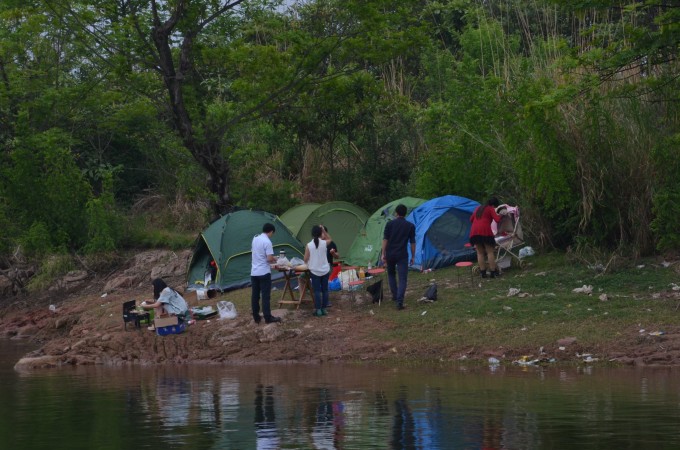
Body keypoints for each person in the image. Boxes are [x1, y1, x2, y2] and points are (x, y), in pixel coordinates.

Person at [381, 204, 416, 310]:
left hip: (390, 254)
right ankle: (399, 301)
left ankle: (395, 296)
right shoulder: (410, 226)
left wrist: (383, 254)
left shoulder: (389, 224)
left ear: (396, 213)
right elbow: (413, 243)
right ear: (405, 213)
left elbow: (385, 240)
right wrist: (413, 256)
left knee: (391, 274)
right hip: (402, 255)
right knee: (402, 278)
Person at [251, 223, 282, 324]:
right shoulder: (267, 241)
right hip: (264, 272)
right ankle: (268, 317)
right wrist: (275, 259)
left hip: (254, 272)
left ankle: (256, 317)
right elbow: (269, 259)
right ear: (271, 231)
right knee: (265, 296)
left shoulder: (255, 238)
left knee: (255, 295)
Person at [469, 196, 504, 278]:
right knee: (490, 252)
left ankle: (483, 273)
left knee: (480, 253)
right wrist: (502, 215)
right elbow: (497, 220)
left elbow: (471, 219)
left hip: (474, 232)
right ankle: (493, 272)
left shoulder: (478, 208)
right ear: (494, 205)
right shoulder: (490, 208)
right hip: (485, 231)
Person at [304, 225, 332, 317]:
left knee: (316, 291)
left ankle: (318, 310)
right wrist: (324, 230)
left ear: (312, 234)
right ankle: (324, 309)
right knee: (325, 290)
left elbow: (305, 259)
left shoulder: (309, 245)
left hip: (314, 271)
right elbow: (330, 239)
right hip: (325, 270)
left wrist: (308, 262)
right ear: (321, 233)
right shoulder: (324, 243)